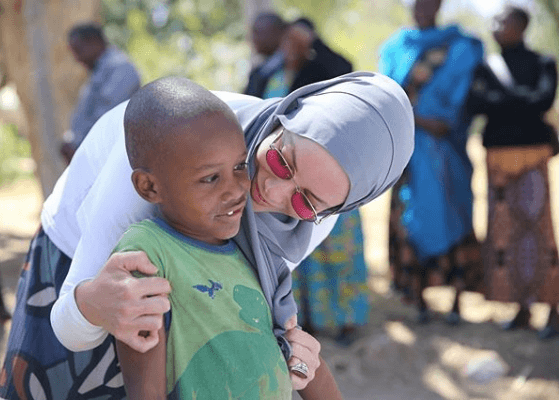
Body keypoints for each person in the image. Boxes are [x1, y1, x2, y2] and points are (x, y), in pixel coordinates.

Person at [0, 72, 414, 399]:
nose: (270, 192)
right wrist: (91, 303)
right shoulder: (182, 147)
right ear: (285, 114)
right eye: (280, 160)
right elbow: (70, 328)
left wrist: (295, 360)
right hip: (79, 260)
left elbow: (239, 301)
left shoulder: (315, 220)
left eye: (306, 201)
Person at [113, 76, 318, 398]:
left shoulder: (248, 245)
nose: (237, 189)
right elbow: (144, 388)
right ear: (149, 187)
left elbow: (294, 345)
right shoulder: (149, 253)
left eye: (240, 166)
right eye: (210, 178)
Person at [379, 0, 484, 324]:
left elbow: (461, 101)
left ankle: (456, 302)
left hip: (444, 151)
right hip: (407, 151)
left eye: (428, 2)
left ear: (439, 5)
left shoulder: (460, 47)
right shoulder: (397, 46)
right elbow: (385, 94)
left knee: (454, 214)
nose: (421, 7)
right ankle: (419, 298)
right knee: (409, 220)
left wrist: (429, 120)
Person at [466, 6, 559, 339]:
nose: (495, 27)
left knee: (538, 230)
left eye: (502, 21)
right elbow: (475, 104)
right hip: (498, 160)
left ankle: (552, 307)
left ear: (521, 26)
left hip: (533, 156)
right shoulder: (484, 67)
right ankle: (522, 306)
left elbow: (543, 100)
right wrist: (520, 100)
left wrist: (500, 100)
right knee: (505, 233)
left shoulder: (544, 63)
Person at [279, 17, 367, 346]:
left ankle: (347, 321)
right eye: (287, 41)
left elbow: (346, 66)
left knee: (338, 250)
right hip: (287, 181)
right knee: (303, 253)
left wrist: (314, 42)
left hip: (332, 176)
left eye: (298, 42)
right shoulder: (272, 74)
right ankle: (309, 320)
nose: (291, 48)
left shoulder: (323, 74)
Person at [60, 23, 141, 163]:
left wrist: (79, 147)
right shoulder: (99, 72)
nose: (77, 58)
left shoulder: (122, 69)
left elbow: (107, 118)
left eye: (78, 50)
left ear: (95, 42)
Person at [243, 12, 287, 99]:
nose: (253, 38)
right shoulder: (259, 72)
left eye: (257, 32)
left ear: (277, 32)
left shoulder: (293, 67)